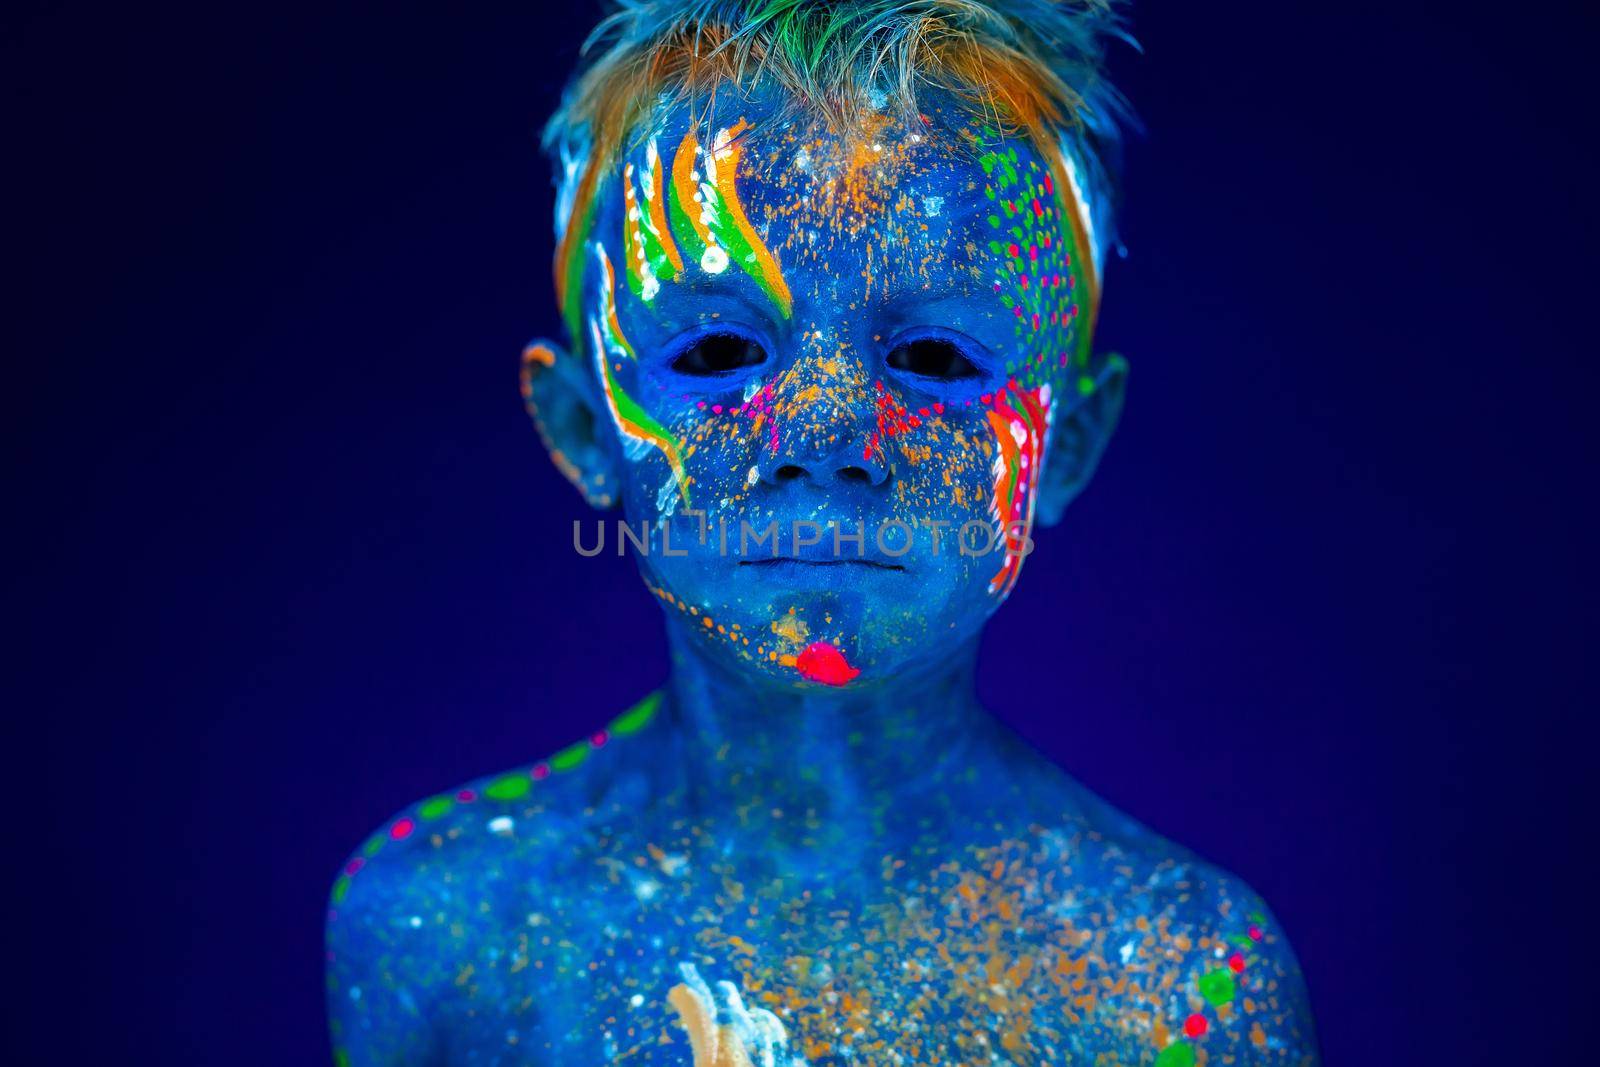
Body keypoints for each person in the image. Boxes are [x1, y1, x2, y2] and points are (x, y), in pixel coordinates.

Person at [325, 3, 1318, 1064]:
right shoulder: (443, 922)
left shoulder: (1175, 980)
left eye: (936, 358)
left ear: (1065, 442)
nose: (827, 429)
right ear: (579, 426)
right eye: (715, 350)